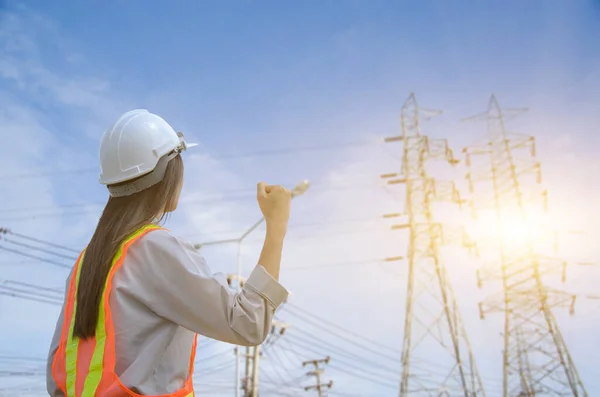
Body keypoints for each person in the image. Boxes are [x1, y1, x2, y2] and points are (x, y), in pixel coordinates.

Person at [45, 109, 291, 396]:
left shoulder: (86, 263)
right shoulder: (153, 248)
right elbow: (248, 323)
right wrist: (277, 225)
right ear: (167, 172)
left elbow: (59, 374)